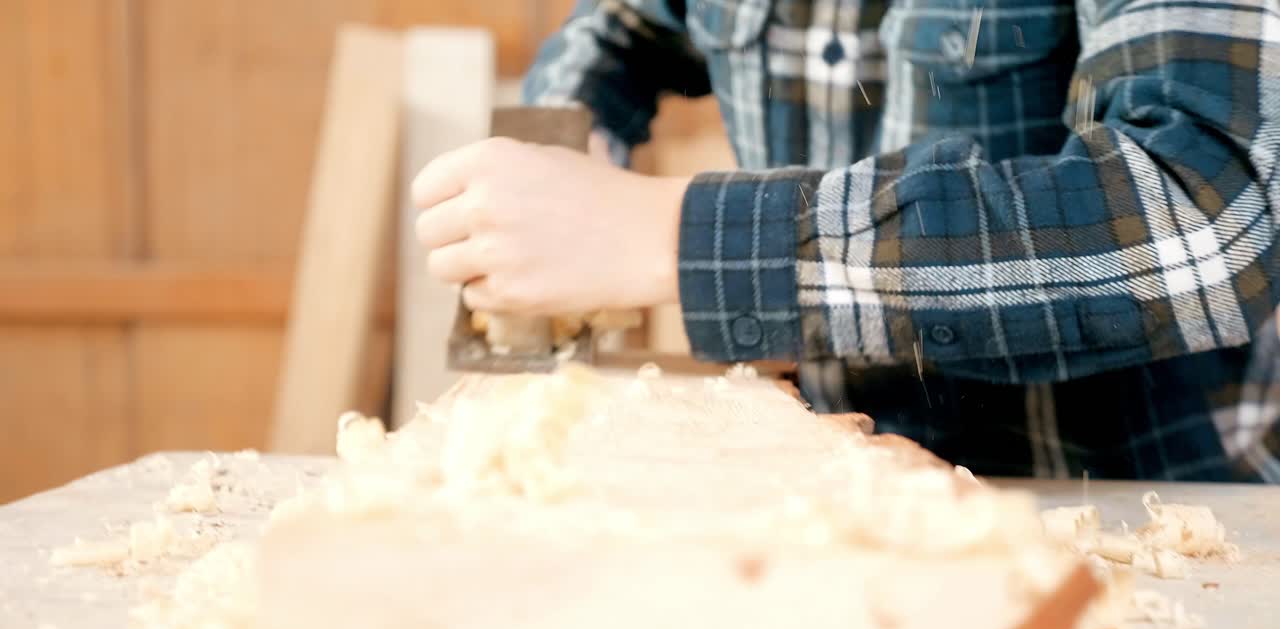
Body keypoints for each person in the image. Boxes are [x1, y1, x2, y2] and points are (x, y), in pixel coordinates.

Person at [412, 0, 1280, 482]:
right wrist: (566, 129)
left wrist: (671, 234)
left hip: (1134, 502)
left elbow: (1204, 209)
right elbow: (627, 23)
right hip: (833, 493)